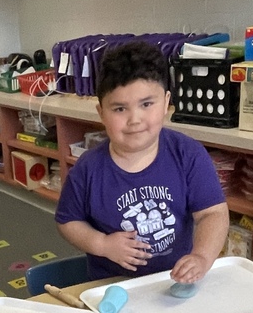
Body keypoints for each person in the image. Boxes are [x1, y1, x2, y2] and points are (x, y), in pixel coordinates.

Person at [55, 40, 230, 282]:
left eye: (146, 104)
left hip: (174, 282)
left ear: (166, 102)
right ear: (101, 113)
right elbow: (68, 221)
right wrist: (102, 244)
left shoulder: (188, 154)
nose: (134, 119)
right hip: (112, 285)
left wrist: (201, 256)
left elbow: (213, 214)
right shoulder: (88, 169)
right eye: (119, 109)